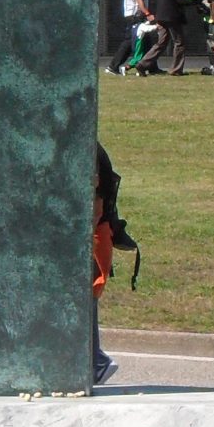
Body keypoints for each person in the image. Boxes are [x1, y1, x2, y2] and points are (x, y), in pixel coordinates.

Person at [91, 148, 118, 387]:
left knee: (85, 298)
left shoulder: (90, 152)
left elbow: (96, 209)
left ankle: (96, 363)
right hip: (96, 237)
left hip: (94, 239)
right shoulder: (88, 148)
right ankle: (95, 360)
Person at [109, 0, 153, 75]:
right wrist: (146, 12)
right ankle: (114, 66)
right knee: (130, 41)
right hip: (136, 13)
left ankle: (149, 66)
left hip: (134, 12)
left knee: (146, 40)